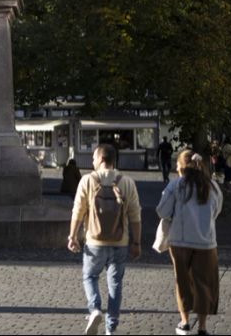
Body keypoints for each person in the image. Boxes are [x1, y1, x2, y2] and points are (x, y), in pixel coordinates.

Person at [68, 144, 142, 336]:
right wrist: (136, 242)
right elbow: (135, 216)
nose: (92, 161)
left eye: (93, 158)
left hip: (94, 242)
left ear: (101, 159)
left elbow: (78, 211)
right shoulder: (126, 182)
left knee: (90, 276)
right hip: (120, 242)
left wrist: (73, 236)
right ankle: (111, 327)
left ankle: (94, 310)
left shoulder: (87, 180)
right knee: (115, 284)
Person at [156, 150, 223, 336]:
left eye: (177, 164)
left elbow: (162, 211)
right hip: (206, 241)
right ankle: (202, 326)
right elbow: (217, 210)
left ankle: (185, 322)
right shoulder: (212, 186)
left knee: (182, 281)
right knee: (204, 283)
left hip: (180, 241)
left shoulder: (175, 185)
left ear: (182, 166)